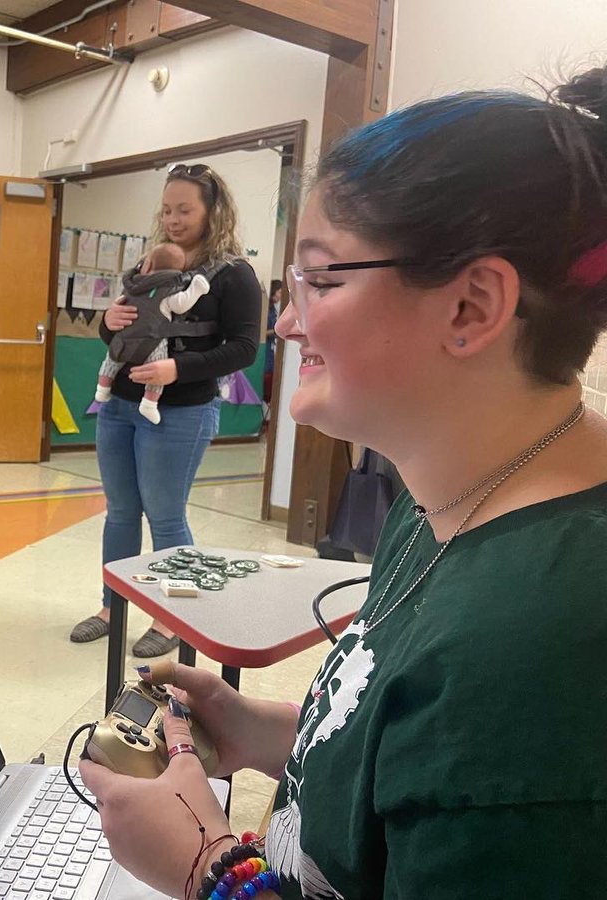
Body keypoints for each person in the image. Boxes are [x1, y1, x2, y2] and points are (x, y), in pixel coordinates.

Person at [79, 70, 607, 899]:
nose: (288, 321)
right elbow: (420, 770)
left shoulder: (548, 642)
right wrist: (267, 732)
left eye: (320, 281)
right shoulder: (448, 493)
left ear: (472, 308)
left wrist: (210, 868)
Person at [70, 163, 262, 657]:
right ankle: (113, 607)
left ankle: (171, 616)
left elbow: (244, 349)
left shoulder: (234, 274)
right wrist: (107, 323)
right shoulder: (150, 264)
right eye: (167, 210)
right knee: (120, 513)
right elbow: (123, 334)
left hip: (181, 412)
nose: (174, 219)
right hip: (121, 408)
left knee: (167, 517)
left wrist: (178, 369)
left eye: (185, 210)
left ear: (212, 211)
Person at [94, 242, 212, 424]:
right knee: (155, 371)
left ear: (146, 265)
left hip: (124, 339)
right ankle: (149, 403)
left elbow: (118, 304)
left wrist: (110, 315)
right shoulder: (168, 291)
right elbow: (181, 305)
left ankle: (102, 389)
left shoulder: (131, 286)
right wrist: (196, 289)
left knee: (111, 360)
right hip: (151, 344)